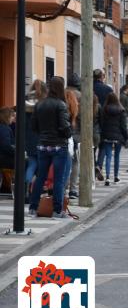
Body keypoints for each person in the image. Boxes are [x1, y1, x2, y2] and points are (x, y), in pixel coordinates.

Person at [28, 76, 72, 219]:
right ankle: (57, 210)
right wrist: (68, 134)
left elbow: (34, 127)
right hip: (59, 146)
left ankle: (33, 208)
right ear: (61, 88)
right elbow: (65, 127)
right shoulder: (61, 105)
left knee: (41, 177)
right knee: (58, 179)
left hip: (42, 145)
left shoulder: (39, 105)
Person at [98, 93, 128, 186]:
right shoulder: (121, 110)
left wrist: (103, 134)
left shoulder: (104, 109)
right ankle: (116, 177)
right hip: (118, 136)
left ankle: (107, 177)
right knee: (117, 156)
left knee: (108, 156)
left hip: (107, 135)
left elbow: (101, 123)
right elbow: (123, 126)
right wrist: (126, 137)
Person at [25, 80, 47, 201]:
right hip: (42, 138)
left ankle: (25, 187)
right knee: (41, 165)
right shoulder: (45, 102)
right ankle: (36, 190)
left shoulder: (26, 100)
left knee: (32, 163)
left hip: (29, 137)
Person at [0, 107, 15, 171]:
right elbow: (6, 146)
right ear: (6, 117)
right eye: (12, 116)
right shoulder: (5, 129)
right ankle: (25, 180)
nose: (13, 118)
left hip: (2, 157)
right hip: (4, 158)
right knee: (26, 162)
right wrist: (16, 153)